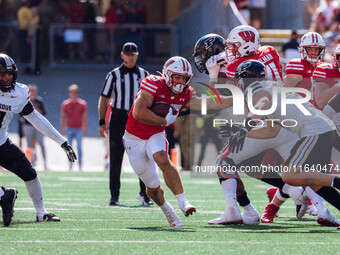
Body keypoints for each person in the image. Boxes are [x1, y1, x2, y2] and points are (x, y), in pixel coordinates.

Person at [122, 56, 235, 227]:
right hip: (133, 138)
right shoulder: (153, 83)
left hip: (155, 134)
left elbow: (208, 104)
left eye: (184, 78)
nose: (181, 81)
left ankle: (183, 202)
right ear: (168, 75)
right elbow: (139, 112)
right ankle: (168, 210)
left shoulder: (187, 93)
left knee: (162, 158)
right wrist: (164, 121)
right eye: (177, 77)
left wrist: (237, 98)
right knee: (152, 187)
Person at [229, 60, 340, 226]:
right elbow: (271, 131)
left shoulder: (257, 89)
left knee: (291, 175)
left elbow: (262, 104)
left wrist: (243, 130)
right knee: (314, 182)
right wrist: (243, 133)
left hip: (314, 130)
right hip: (320, 128)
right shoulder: (272, 88)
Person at [0, 53, 76, 222]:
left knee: (30, 174)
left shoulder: (19, 93)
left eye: (9, 74)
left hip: (1, 143)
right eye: (3, 74)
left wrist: (61, 141)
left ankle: (40, 213)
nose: (6, 78)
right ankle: (5, 195)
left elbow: (36, 119)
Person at [262, 31, 326, 221]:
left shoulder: (325, 67)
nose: (313, 52)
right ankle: (317, 207)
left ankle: (278, 200)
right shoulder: (297, 66)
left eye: (317, 49)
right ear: (301, 50)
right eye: (310, 49)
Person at [98, 42, 152, 206]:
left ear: (137, 55)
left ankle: (144, 194)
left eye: (133, 54)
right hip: (118, 117)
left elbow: (151, 98)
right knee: (116, 158)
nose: (130, 57)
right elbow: (105, 99)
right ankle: (114, 195)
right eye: (127, 54)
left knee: (142, 156)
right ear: (122, 55)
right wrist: (101, 121)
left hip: (138, 118)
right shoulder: (113, 75)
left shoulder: (144, 74)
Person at [60, 84, 88, 171]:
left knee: (79, 147)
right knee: (69, 147)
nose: (73, 94)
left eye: (75, 92)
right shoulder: (65, 104)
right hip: (69, 128)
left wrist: (85, 127)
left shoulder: (82, 104)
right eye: (72, 92)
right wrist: (62, 128)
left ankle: (80, 165)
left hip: (78, 128)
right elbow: (63, 116)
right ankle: (70, 165)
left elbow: (85, 117)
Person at [21, 84, 48, 169]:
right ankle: (30, 162)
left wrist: (35, 111)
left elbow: (44, 112)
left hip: (38, 125)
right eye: (30, 90)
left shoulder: (39, 101)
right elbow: (20, 113)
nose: (31, 92)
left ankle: (45, 163)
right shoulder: (24, 100)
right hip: (27, 124)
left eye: (33, 90)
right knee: (29, 145)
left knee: (41, 143)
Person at [313, 44, 340, 110]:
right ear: (336, 57)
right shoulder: (325, 70)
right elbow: (321, 102)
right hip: (329, 117)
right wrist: (338, 85)